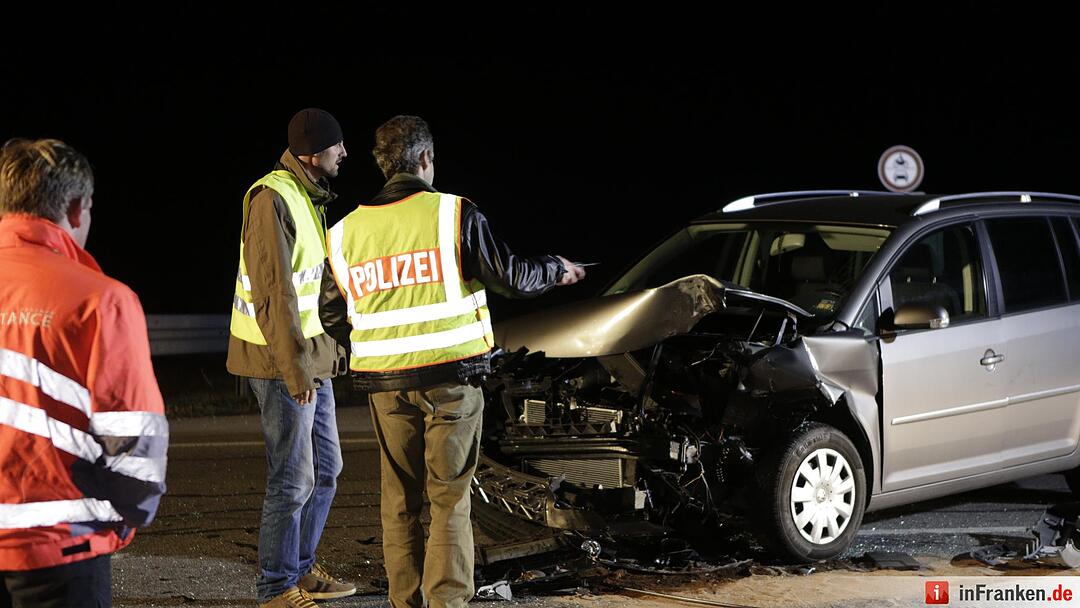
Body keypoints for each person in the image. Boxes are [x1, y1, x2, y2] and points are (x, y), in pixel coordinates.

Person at [321, 115, 585, 608]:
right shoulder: (452, 213)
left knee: (399, 501)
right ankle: (447, 602)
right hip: (452, 381)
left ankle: (406, 600)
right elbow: (510, 277)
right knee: (449, 499)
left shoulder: (345, 232)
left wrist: (384, 341)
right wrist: (558, 269)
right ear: (424, 159)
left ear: (383, 165)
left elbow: (332, 314)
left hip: (385, 386)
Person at [0, 138, 168, 607]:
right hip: (62, 547)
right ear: (77, 209)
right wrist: (128, 515)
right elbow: (134, 438)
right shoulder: (101, 299)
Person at [226, 109, 355, 607]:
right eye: (337, 146)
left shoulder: (307, 196)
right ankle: (276, 586)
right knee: (293, 476)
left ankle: (301, 570)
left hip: (308, 357)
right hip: (279, 362)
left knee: (327, 469)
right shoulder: (271, 198)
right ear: (312, 154)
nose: (345, 153)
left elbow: (312, 287)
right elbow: (274, 293)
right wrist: (294, 367)